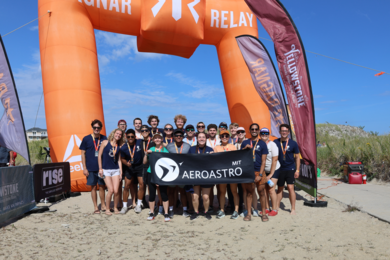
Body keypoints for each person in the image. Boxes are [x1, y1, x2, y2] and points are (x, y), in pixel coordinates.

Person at [241, 123, 269, 222]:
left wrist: (260, 175)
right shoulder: (245, 142)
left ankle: (264, 214)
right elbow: (241, 157)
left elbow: (264, 161)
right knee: (249, 193)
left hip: (259, 171)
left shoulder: (262, 143)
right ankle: (249, 214)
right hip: (249, 172)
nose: (254, 130)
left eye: (256, 129)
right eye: (252, 129)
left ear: (258, 130)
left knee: (262, 192)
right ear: (249, 130)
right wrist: (244, 150)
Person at [79, 119, 107, 214]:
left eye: (98, 128)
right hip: (90, 168)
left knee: (102, 186)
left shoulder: (104, 138)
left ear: (101, 128)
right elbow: (83, 154)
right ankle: (96, 206)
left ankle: (103, 205)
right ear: (92, 127)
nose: (96, 129)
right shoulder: (86, 138)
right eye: (95, 127)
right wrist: (84, 168)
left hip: (101, 168)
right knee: (93, 187)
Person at [274, 124, 300, 215]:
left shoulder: (293, 143)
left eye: (285, 131)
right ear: (280, 132)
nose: (284, 132)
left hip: (290, 168)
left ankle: (293, 208)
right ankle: (277, 207)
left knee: (290, 188)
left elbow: (297, 157)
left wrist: (297, 170)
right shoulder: (275, 142)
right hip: (279, 169)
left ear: (288, 132)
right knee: (280, 188)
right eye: (282, 131)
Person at [143, 133, 170, 221]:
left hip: (162, 174)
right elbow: (144, 162)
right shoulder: (151, 149)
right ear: (153, 140)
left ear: (162, 139)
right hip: (151, 173)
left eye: (159, 138)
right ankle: (151, 213)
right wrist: (146, 154)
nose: (157, 139)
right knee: (152, 194)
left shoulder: (165, 150)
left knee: (163, 194)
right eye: (156, 138)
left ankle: (166, 213)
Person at [213, 129, 239, 219]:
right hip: (222, 173)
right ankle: (222, 210)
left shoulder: (233, 146)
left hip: (232, 173)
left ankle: (236, 210)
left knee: (234, 192)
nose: (224, 137)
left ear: (229, 137)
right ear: (220, 137)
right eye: (222, 136)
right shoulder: (216, 148)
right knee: (222, 192)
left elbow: (237, 159)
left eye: (226, 136)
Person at [98, 128, 124, 215]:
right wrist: (100, 168)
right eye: (117, 133)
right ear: (113, 133)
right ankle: (107, 209)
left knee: (116, 191)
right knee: (111, 190)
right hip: (106, 170)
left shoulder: (118, 146)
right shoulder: (105, 142)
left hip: (115, 170)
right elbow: (99, 156)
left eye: (120, 134)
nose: (118, 135)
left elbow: (119, 160)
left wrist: (121, 172)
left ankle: (115, 207)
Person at [188, 132, 214, 220]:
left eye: (203, 137)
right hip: (195, 175)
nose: (202, 139)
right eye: (200, 137)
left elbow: (214, 163)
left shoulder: (210, 149)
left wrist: (213, 156)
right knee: (195, 197)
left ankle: (206, 212)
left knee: (206, 197)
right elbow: (186, 161)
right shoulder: (191, 149)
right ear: (197, 139)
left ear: (206, 139)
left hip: (206, 176)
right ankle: (196, 212)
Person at [166, 129, 191, 218]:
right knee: (171, 192)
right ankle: (171, 210)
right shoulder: (169, 146)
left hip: (183, 172)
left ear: (183, 136)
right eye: (177, 135)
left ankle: (184, 210)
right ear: (174, 137)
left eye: (180, 135)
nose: (178, 137)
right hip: (172, 172)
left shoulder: (188, 146)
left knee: (183, 192)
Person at [119, 129, 144, 214]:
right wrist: (126, 163)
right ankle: (125, 206)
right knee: (126, 186)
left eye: (132, 136)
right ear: (126, 137)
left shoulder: (140, 142)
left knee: (142, 185)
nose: (130, 138)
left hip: (139, 166)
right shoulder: (124, 147)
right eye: (128, 136)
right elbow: (122, 159)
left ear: (135, 136)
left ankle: (139, 205)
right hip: (129, 168)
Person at [260, 127, 280, 217]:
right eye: (262, 133)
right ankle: (267, 208)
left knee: (271, 189)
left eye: (266, 133)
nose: (264, 135)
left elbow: (275, 160)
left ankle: (275, 209)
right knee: (264, 190)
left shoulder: (272, 145)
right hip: (264, 170)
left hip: (274, 169)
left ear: (268, 134)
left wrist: (271, 174)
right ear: (260, 135)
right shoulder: (259, 144)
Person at [140, 125, 155, 211]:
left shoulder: (153, 142)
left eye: (146, 130)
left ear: (149, 131)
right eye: (142, 130)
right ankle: (142, 201)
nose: (144, 131)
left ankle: (151, 203)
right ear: (141, 132)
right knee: (142, 185)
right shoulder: (139, 142)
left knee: (150, 186)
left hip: (151, 166)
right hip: (142, 166)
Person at [117, 119, 127, 209]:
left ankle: (127, 202)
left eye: (124, 124)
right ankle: (119, 202)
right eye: (121, 124)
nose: (123, 126)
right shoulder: (116, 136)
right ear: (118, 126)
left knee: (128, 184)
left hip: (126, 163)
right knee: (119, 184)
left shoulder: (129, 136)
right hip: (117, 163)